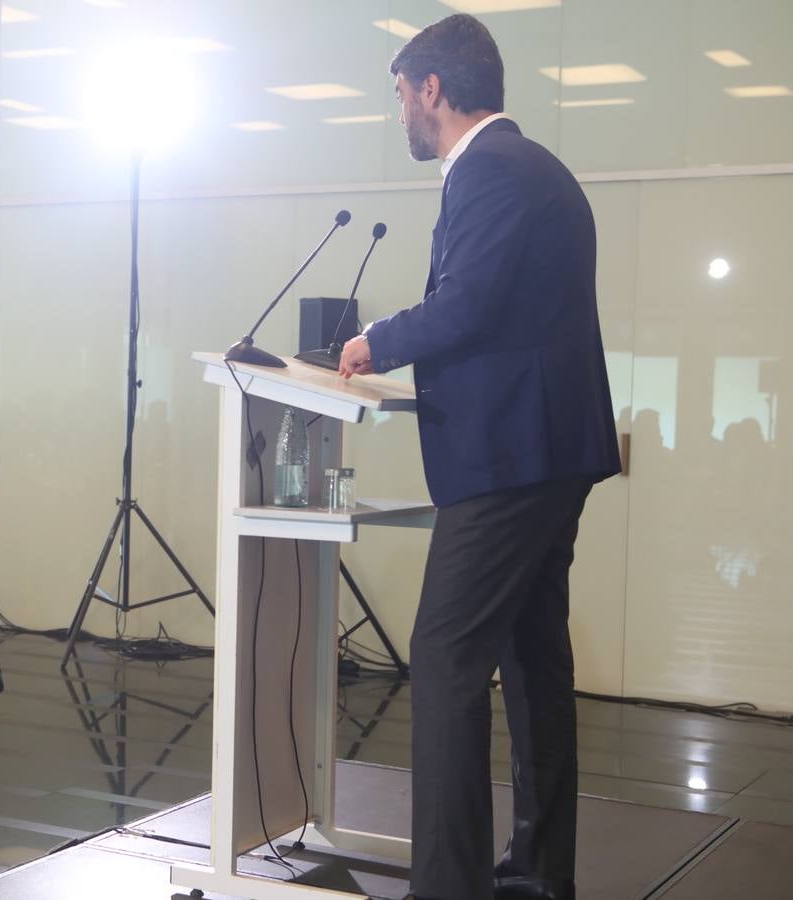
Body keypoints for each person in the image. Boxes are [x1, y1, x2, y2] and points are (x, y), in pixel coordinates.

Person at [338, 16, 620, 900]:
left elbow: (468, 306)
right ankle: (538, 874)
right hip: (544, 453)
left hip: (509, 460)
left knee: (446, 653)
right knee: (534, 658)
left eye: (400, 96)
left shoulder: (492, 169)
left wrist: (372, 342)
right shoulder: (536, 169)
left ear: (433, 88)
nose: (400, 116)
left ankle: (448, 885)